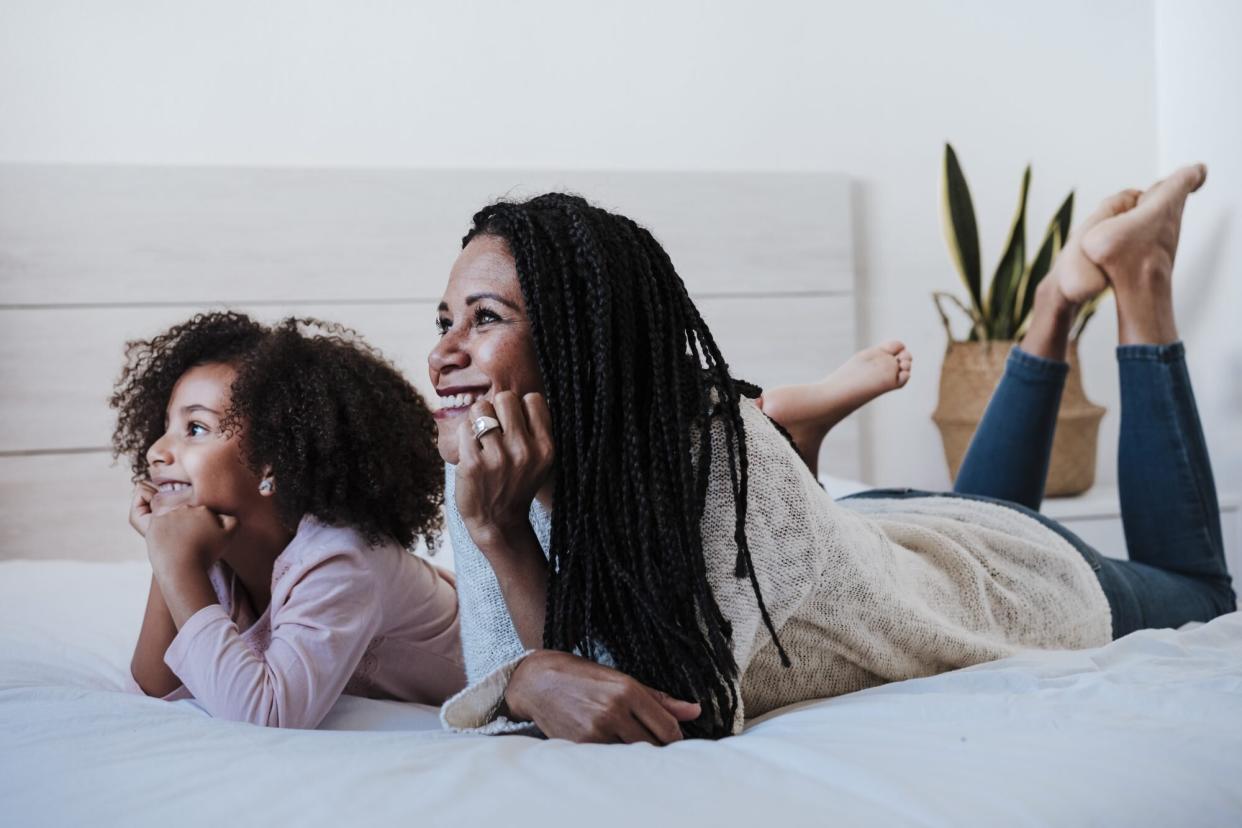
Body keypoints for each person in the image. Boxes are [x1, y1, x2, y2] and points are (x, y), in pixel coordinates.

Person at [431, 165, 1235, 743]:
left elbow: (670, 710)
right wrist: (522, 651)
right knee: (974, 527)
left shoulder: (713, 450)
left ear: (583, 345)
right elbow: (533, 684)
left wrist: (507, 547)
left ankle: (1143, 276)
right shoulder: (486, 472)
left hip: (1007, 588)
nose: (443, 356)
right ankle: (1055, 302)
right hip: (879, 538)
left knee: (1206, 593)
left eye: (485, 319)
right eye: (444, 324)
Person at [113, 312, 464, 728]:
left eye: (195, 428)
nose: (157, 450)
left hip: (503, 675)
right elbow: (155, 689)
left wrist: (178, 564)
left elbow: (268, 715)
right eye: (165, 427)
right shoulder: (213, 543)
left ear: (270, 465)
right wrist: (166, 547)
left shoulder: (340, 558)